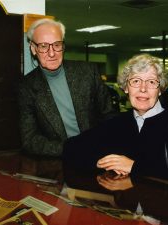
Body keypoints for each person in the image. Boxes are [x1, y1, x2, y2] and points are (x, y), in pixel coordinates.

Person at [63, 54, 168, 187]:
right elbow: (71, 148)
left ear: (160, 89)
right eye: (135, 81)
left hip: (162, 209)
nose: (143, 89)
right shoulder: (116, 124)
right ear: (125, 88)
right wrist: (100, 162)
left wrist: (134, 167)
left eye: (151, 82)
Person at [18, 18, 117, 178]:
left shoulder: (88, 72)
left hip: (102, 163)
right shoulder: (26, 87)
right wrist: (71, 149)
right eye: (43, 46)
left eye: (57, 45)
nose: (51, 53)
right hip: (60, 167)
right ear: (33, 49)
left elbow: (110, 117)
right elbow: (30, 140)